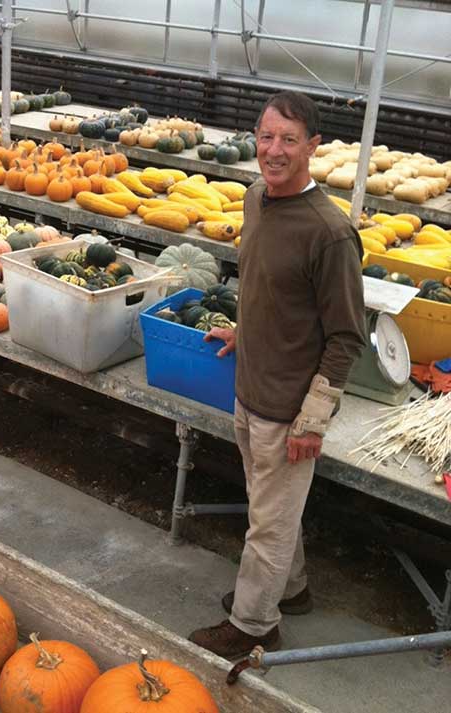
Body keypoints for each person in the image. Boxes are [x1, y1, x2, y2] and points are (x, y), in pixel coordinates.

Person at [188, 91, 367, 659]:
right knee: (271, 507)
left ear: (313, 147)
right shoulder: (256, 200)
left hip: (289, 409)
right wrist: (244, 331)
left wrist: (313, 418)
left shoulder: (330, 234)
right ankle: (291, 589)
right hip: (250, 388)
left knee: (267, 523)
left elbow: (345, 337)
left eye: (290, 139)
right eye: (266, 136)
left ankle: (253, 626)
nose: (274, 150)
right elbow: (269, 286)